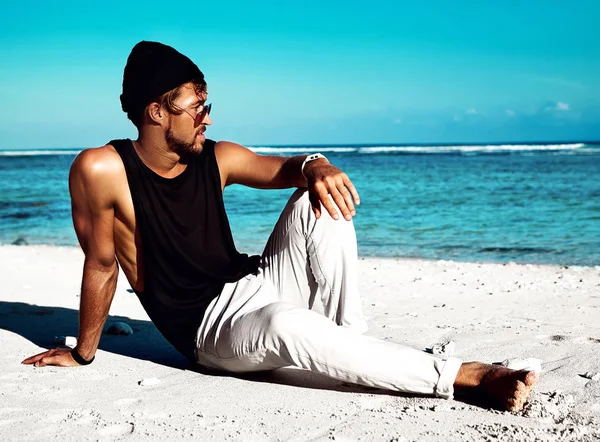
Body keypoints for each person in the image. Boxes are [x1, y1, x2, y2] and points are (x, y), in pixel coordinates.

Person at [22, 41, 537, 412]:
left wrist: (315, 164)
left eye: (208, 105)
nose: (207, 118)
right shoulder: (101, 169)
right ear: (157, 111)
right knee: (286, 326)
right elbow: (102, 263)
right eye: (196, 106)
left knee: (319, 199)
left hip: (258, 283)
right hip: (210, 330)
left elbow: (284, 169)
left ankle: (348, 341)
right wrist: (83, 354)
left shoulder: (216, 156)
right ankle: (469, 376)